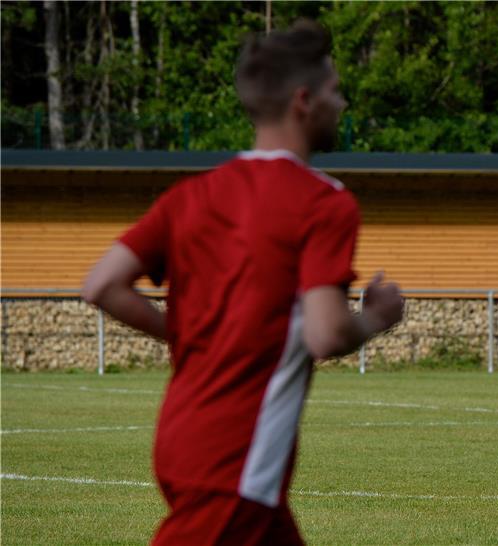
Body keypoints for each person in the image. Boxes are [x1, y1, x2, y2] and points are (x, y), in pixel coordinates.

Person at [82, 20, 404, 545]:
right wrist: (375, 316)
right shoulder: (324, 201)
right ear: (304, 100)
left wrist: (182, 336)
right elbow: (325, 334)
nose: (341, 104)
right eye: (335, 90)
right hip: (236, 459)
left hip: (185, 435)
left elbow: (101, 284)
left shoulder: (191, 194)